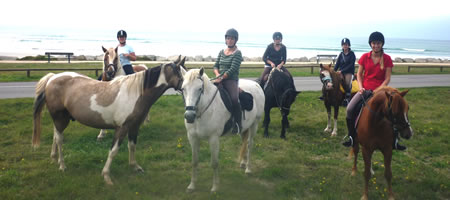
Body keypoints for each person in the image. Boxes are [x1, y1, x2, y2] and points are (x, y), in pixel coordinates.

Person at [342, 31, 406, 150]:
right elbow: (359, 75)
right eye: (374, 43)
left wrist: (379, 90)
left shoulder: (387, 59)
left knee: (395, 110)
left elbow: (387, 78)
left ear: (382, 44)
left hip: (381, 91)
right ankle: (351, 136)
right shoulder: (364, 57)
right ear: (370, 44)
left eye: (378, 43)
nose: (376, 45)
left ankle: (395, 140)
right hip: (365, 90)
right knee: (350, 109)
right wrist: (361, 88)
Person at [213, 28, 243, 134]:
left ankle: (238, 124)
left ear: (235, 40)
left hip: (231, 80)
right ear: (225, 40)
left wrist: (222, 77)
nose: (229, 40)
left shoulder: (238, 53)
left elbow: (233, 69)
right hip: (219, 78)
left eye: (232, 39)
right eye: (228, 38)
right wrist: (217, 75)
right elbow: (215, 65)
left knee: (234, 99)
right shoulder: (221, 52)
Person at [334, 38, 356, 106]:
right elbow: (337, 64)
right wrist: (333, 72)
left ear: (349, 45)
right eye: (343, 45)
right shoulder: (341, 54)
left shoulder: (352, 54)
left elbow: (351, 65)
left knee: (347, 82)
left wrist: (342, 71)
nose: (345, 46)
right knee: (333, 80)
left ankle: (347, 98)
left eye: (346, 45)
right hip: (341, 72)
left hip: (349, 72)